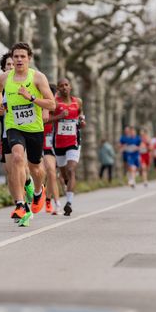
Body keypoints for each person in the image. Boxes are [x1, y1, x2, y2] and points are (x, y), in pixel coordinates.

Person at [0, 42, 56, 227]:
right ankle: (20, 204)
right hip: (14, 126)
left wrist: (32, 98)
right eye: (16, 56)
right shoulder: (4, 78)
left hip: (34, 128)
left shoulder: (38, 78)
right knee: (18, 158)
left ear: (29, 59)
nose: (19, 60)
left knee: (36, 168)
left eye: (22, 56)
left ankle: (38, 191)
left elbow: (52, 105)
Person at [0, 53, 35, 208]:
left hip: (25, 131)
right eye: (8, 65)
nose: (11, 67)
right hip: (7, 134)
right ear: (3, 68)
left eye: (13, 64)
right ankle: (19, 204)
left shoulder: (26, 85)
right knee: (10, 171)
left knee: (21, 164)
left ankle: (28, 184)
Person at [51, 78, 85, 216]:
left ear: (70, 87)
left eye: (66, 85)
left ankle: (69, 203)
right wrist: (59, 116)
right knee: (64, 173)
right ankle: (67, 184)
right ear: (58, 89)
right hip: (58, 143)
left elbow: (80, 115)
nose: (64, 87)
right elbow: (45, 119)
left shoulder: (78, 101)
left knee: (71, 170)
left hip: (74, 142)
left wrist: (82, 122)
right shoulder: (55, 103)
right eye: (61, 86)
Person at [42, 84, 61, 215]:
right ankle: (56, 203)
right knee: (47, 173)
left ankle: (49, 200)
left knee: (52, 174)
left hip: (55, 145)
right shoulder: (40, 105)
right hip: (40, 144)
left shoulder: (59, 107)